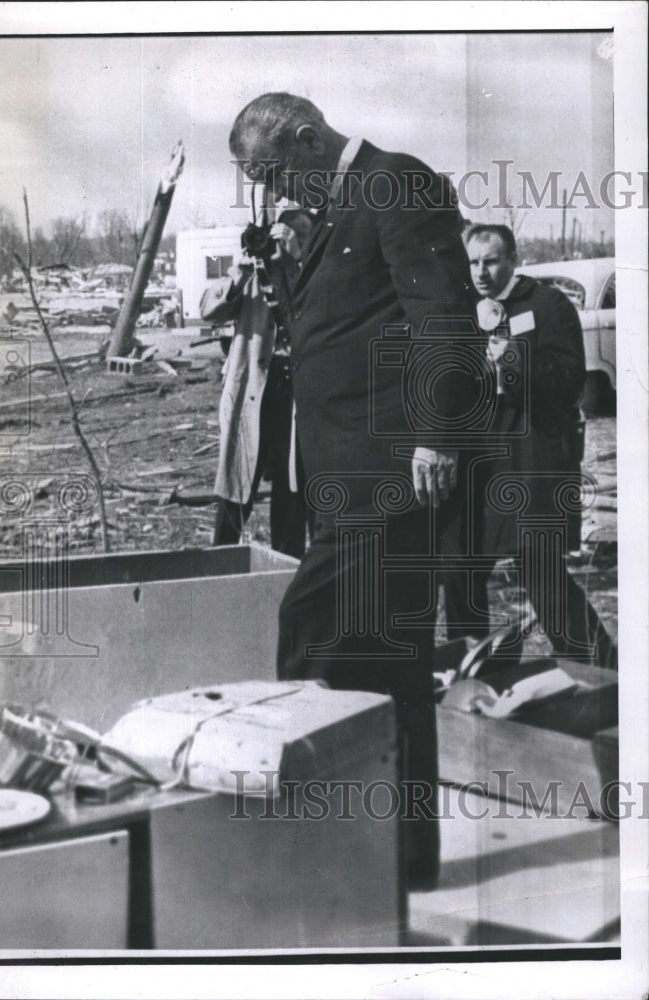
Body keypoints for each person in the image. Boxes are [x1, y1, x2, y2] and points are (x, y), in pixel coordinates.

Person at [229, 92, 479, 890]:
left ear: (308, 138)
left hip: (390, 475)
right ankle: (398, 866)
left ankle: (315, 843)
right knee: (391, 667)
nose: (272, 193)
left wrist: (437, 434)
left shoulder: (393, 184)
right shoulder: (332, 210)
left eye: (273, 174)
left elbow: (445, 317)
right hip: (344, 475)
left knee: (312, 629)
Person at [441, 223, 617, 671]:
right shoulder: (464, 308)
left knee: (541, 575)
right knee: (459, 568)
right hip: (478, 462)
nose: (481, 272)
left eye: (491, 261)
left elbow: (568, 381)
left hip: (530, 458)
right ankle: (478, 670)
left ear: (514, 259)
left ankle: (600, 669)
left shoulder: (547, 304)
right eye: (474, 262)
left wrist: (513, 359)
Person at [200, 205, 313, 559]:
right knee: (236, 485)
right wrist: (239, 274)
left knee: (290, 489)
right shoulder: (252, 275)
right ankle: (218, 567)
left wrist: (295, 262)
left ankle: (285, 570)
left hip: (295, 393)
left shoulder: (310, 274)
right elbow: (209, 310)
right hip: (253, 390)